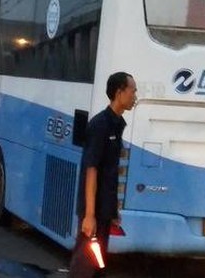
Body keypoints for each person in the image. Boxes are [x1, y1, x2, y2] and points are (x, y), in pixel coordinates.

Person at [69, 72, 137, 278]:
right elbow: (91, 170)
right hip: (94, 211)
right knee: (84, 266)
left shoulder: (116, 124)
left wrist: (113, 210)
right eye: (132, 91)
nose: (135, 96)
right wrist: (89, 216)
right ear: (119, 92)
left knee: (97, 264)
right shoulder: (100, 125)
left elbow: (110, 173)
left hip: (104, 211)